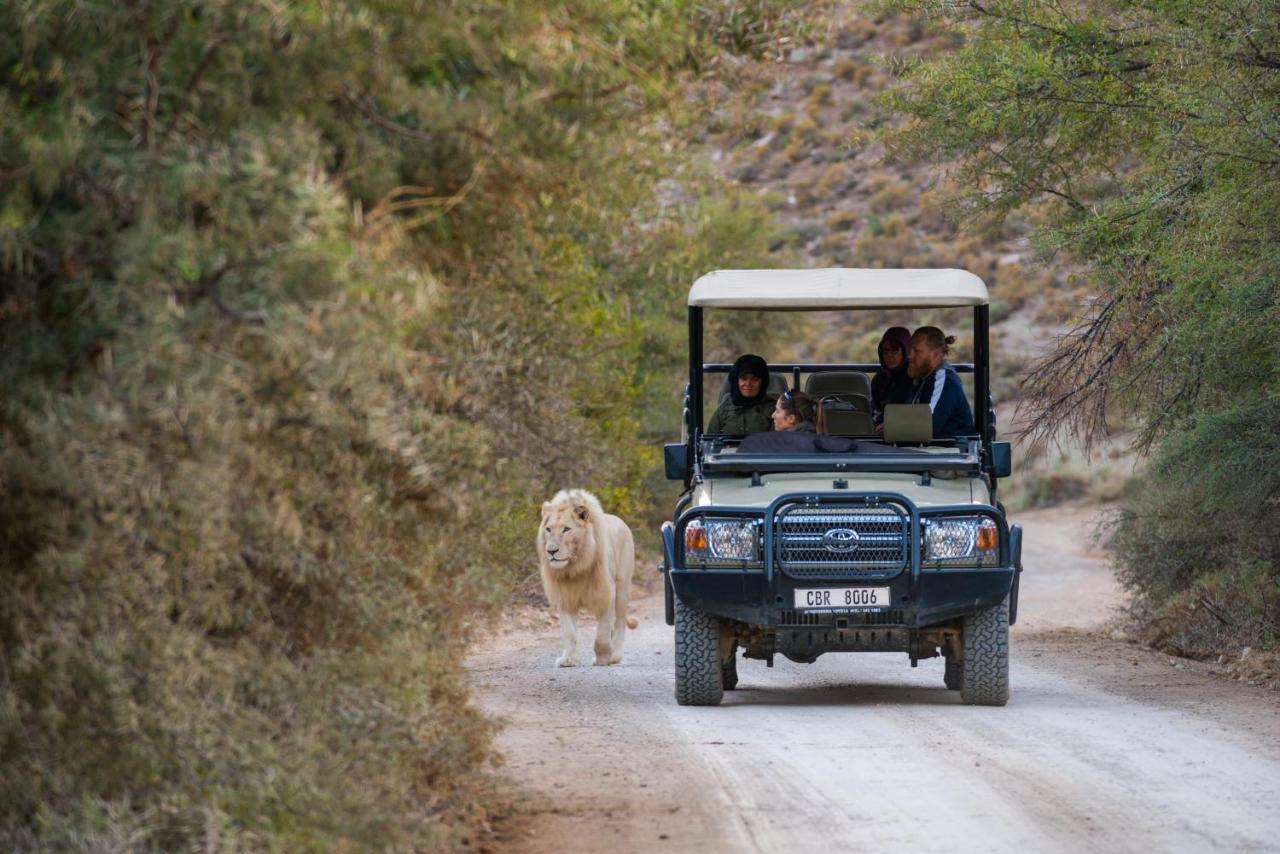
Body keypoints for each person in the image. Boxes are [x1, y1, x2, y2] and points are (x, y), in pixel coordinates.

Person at [907, 326, 975, 437]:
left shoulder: (944, 379)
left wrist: (898, 426)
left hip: (953, 450)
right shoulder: (922, 378)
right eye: (910, 350)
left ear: (935, 355)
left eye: (916, 351)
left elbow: (928, 423)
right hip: (931, 448)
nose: (909, 355)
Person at [706, 353, 776, 435]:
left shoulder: (774, 409)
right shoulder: (725, 407)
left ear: (762, 381)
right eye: (744, 378)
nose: (748, 383)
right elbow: (710, 441)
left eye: (754, 379)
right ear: (736, 380)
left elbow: (777, 443)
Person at [870, 326, 913, 422]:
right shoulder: (879, 379)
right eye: (885, 351)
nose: (889, 355)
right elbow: (874, 409)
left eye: (895, 350)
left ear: (906, 351)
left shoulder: (915, 378)